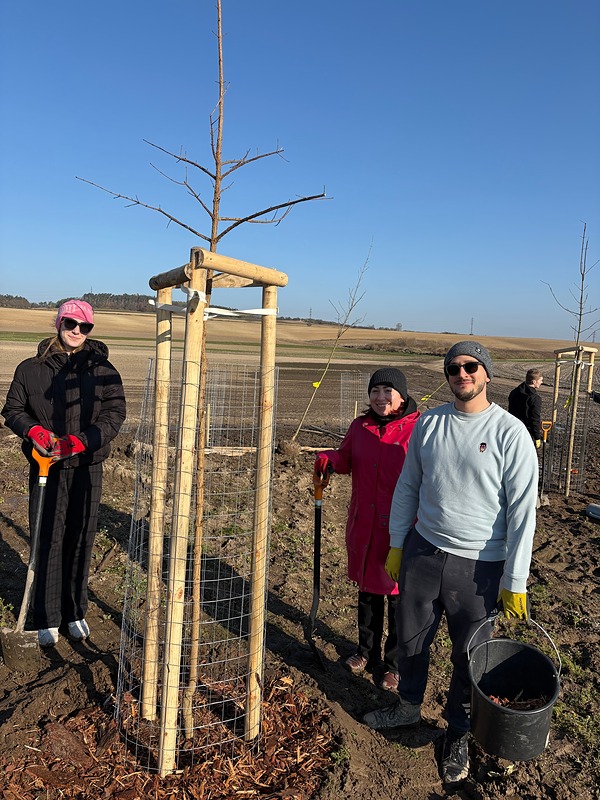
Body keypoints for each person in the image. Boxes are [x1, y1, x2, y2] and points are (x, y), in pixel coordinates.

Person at [362, 342, 538, 787]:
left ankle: (458, 732)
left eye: (471, 366)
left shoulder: (510, 433)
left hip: (480, 567)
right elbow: (408, 486)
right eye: (453, 368)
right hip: (423, 552)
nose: (462, 373)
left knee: (469, 656)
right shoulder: (431, 423)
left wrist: (515, 578)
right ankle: (407, 706)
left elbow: (522, 512)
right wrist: (398, 544)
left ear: (487, 373)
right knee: (411, 638)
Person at [2, 300, 126, 648]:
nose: (77, 330)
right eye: (70, 323)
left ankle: (74, 611)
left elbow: (114, 415)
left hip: (87, 467)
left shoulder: (104, 371)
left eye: (84, 326)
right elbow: (13, 409)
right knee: (48, 538)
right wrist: (33, 431)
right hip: (47, 467)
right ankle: (46, 616)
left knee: (81, 537)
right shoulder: (31, 369)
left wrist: (80, 442)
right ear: (58, 323)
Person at [314, 368, 420, 692]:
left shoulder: (418, 429)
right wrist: (330, 459)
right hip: (366, 525)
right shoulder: (359, 428)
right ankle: (366, 652)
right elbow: (347, 458)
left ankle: (395, 665)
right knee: (368, 593)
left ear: (402, 395)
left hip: (402, 530)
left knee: (399, 601)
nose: (380, 397)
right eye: (375, 391)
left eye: (388, 391)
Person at [508, 368, 544, 446]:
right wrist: (537, 437)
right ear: (534, 382)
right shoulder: (535, 398)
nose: (542, 382)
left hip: (512, 430)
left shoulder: (514, 392)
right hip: (527, 433)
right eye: (540, 380)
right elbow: (534, 419)